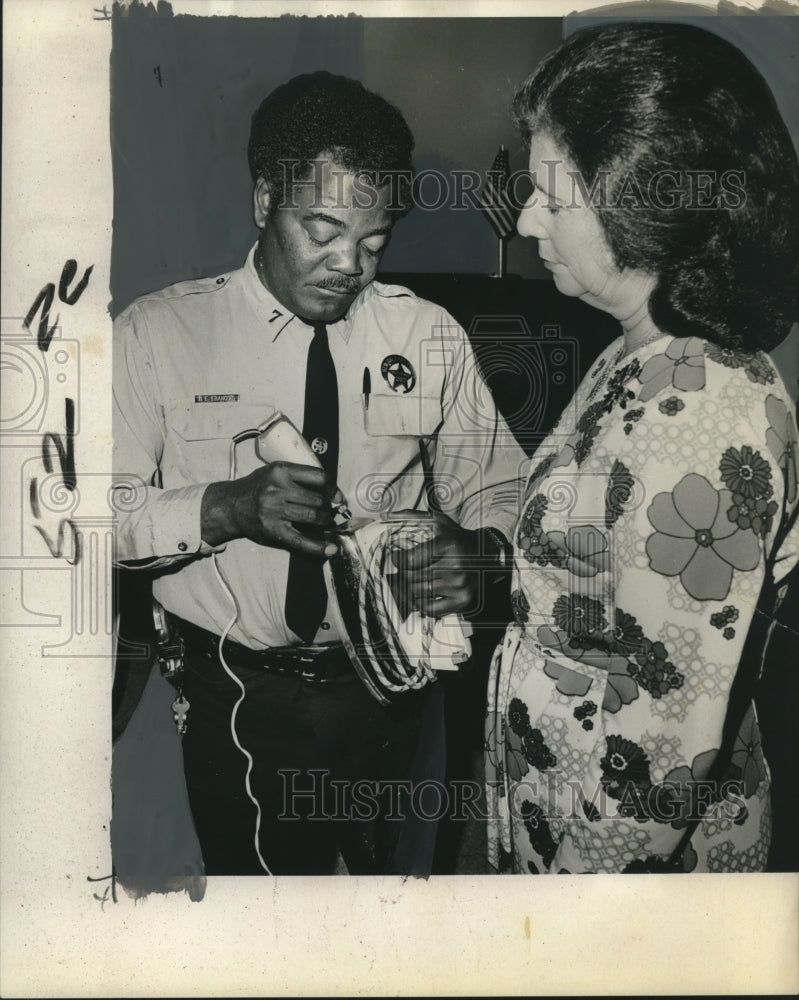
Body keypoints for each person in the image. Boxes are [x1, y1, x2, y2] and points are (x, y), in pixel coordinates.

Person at [112, 70, 526, 877]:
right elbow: (100, 518)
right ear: (265, 198)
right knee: (268, 915)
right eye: (322, 229)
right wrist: (223, 509)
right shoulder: (158, 334)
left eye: (375, 241)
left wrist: (476, 555)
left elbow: (504, 489)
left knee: (406, 897)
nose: (350, 266)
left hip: (399, 684)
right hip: (241, 692)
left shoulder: (425, 333)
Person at [485, 22, 799, 874]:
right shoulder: (640, 352)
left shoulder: (704, 412)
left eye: (553, 197)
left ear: (645, 199)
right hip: (563, 821)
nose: (523, 218)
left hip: (620, 875)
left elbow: (663, 751)